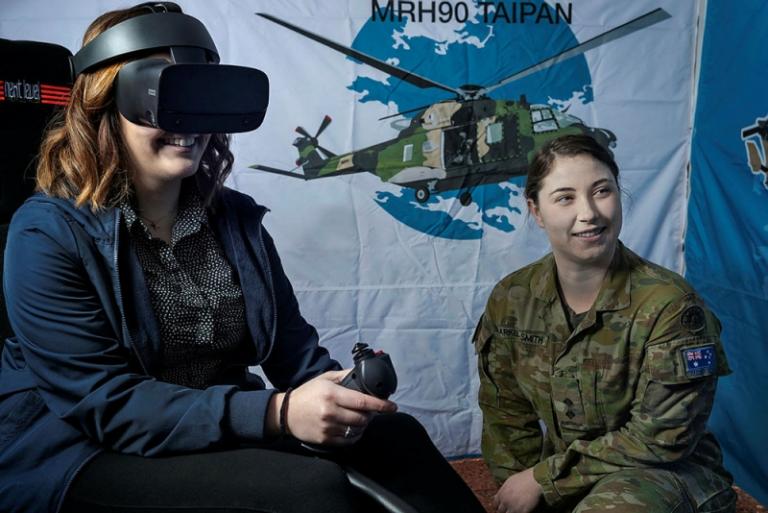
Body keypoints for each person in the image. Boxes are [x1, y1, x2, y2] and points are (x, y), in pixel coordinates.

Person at [0, 4, 485, 513]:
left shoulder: (233, 220)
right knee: (308, 491)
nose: (188, 122)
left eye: (201, 97)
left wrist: (343, 397)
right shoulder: (46, 233)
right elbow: (107, 403)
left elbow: (295, 356)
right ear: (105, 105)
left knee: (395, 436)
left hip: (214, 419)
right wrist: (277, 412)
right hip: (84, 444)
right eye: (165, 98)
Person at [474, 134, 736, 513]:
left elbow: (661, 439)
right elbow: (506, 418)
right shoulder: (512, 298)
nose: (589, 213)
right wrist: (522, 486)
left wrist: (544, 479)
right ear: (536, 211)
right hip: (570, 477)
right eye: (565, 198)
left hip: (666, 477)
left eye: (601, 191)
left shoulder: (670, 305)